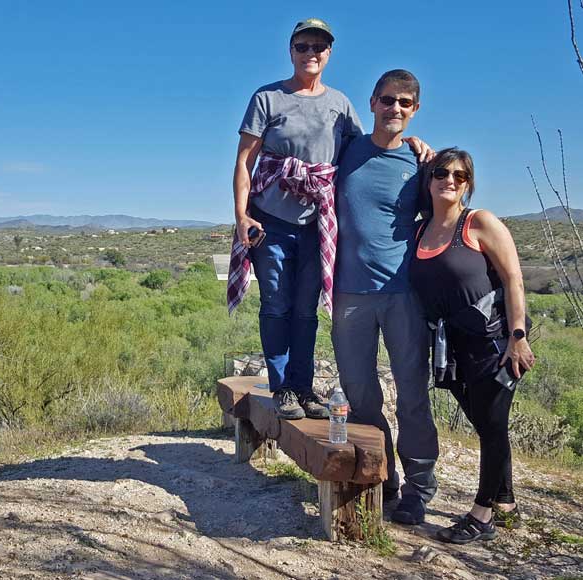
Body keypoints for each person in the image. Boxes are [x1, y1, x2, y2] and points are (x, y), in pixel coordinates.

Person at [227, 18, 363, 420]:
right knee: (275, 304)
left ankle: (303, 389)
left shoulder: (340, 104)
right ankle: (281, 387)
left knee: (306, 309)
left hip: (317, 223)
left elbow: (358, 155)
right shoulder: (268, 98)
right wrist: (241, 215)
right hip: (270, 220)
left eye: (319, 47)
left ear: (329, 54)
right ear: (291, 51)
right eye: (303, 46)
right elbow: (244, 161)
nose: (311, 54)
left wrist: (408, 144)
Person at [410, 147, 535, 544]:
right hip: (452, 348)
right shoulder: (420, 230)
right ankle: (506, 500)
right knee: (485, 423)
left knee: (493, 423)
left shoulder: (479, 223)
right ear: (428, 180)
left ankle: (482, 516)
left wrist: (517, 336)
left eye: (460, 176)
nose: (449, 180)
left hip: (493, 342)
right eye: (441, 173)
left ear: (468, 184)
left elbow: (513, 279)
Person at [331, 69, 439, 526]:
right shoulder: (346, 149)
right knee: (361, 395)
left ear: (414, 111)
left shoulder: (422, 163)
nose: (395, 108)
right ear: (372, 102)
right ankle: (383, 473)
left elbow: (443, 219)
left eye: (405, 103)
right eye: (388, 100)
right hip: (349, 295)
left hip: (402, 295)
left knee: (412, 394)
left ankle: (419, 487)